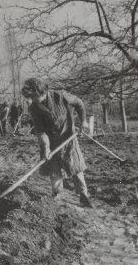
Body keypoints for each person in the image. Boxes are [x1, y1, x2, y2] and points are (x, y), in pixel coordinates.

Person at [21, 77, 91, 207]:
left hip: (67, 136)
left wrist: (84, 121)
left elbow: (79, 103)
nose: (33, 100)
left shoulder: (61, 96)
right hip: (50, 140)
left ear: (42, 92)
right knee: (53, 168)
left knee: (75, 164)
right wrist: (46, 147)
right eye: (30, 97)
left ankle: (83, 194)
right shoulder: (34, 108)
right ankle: (57, 193)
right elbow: (40, 130)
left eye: (34, 96)